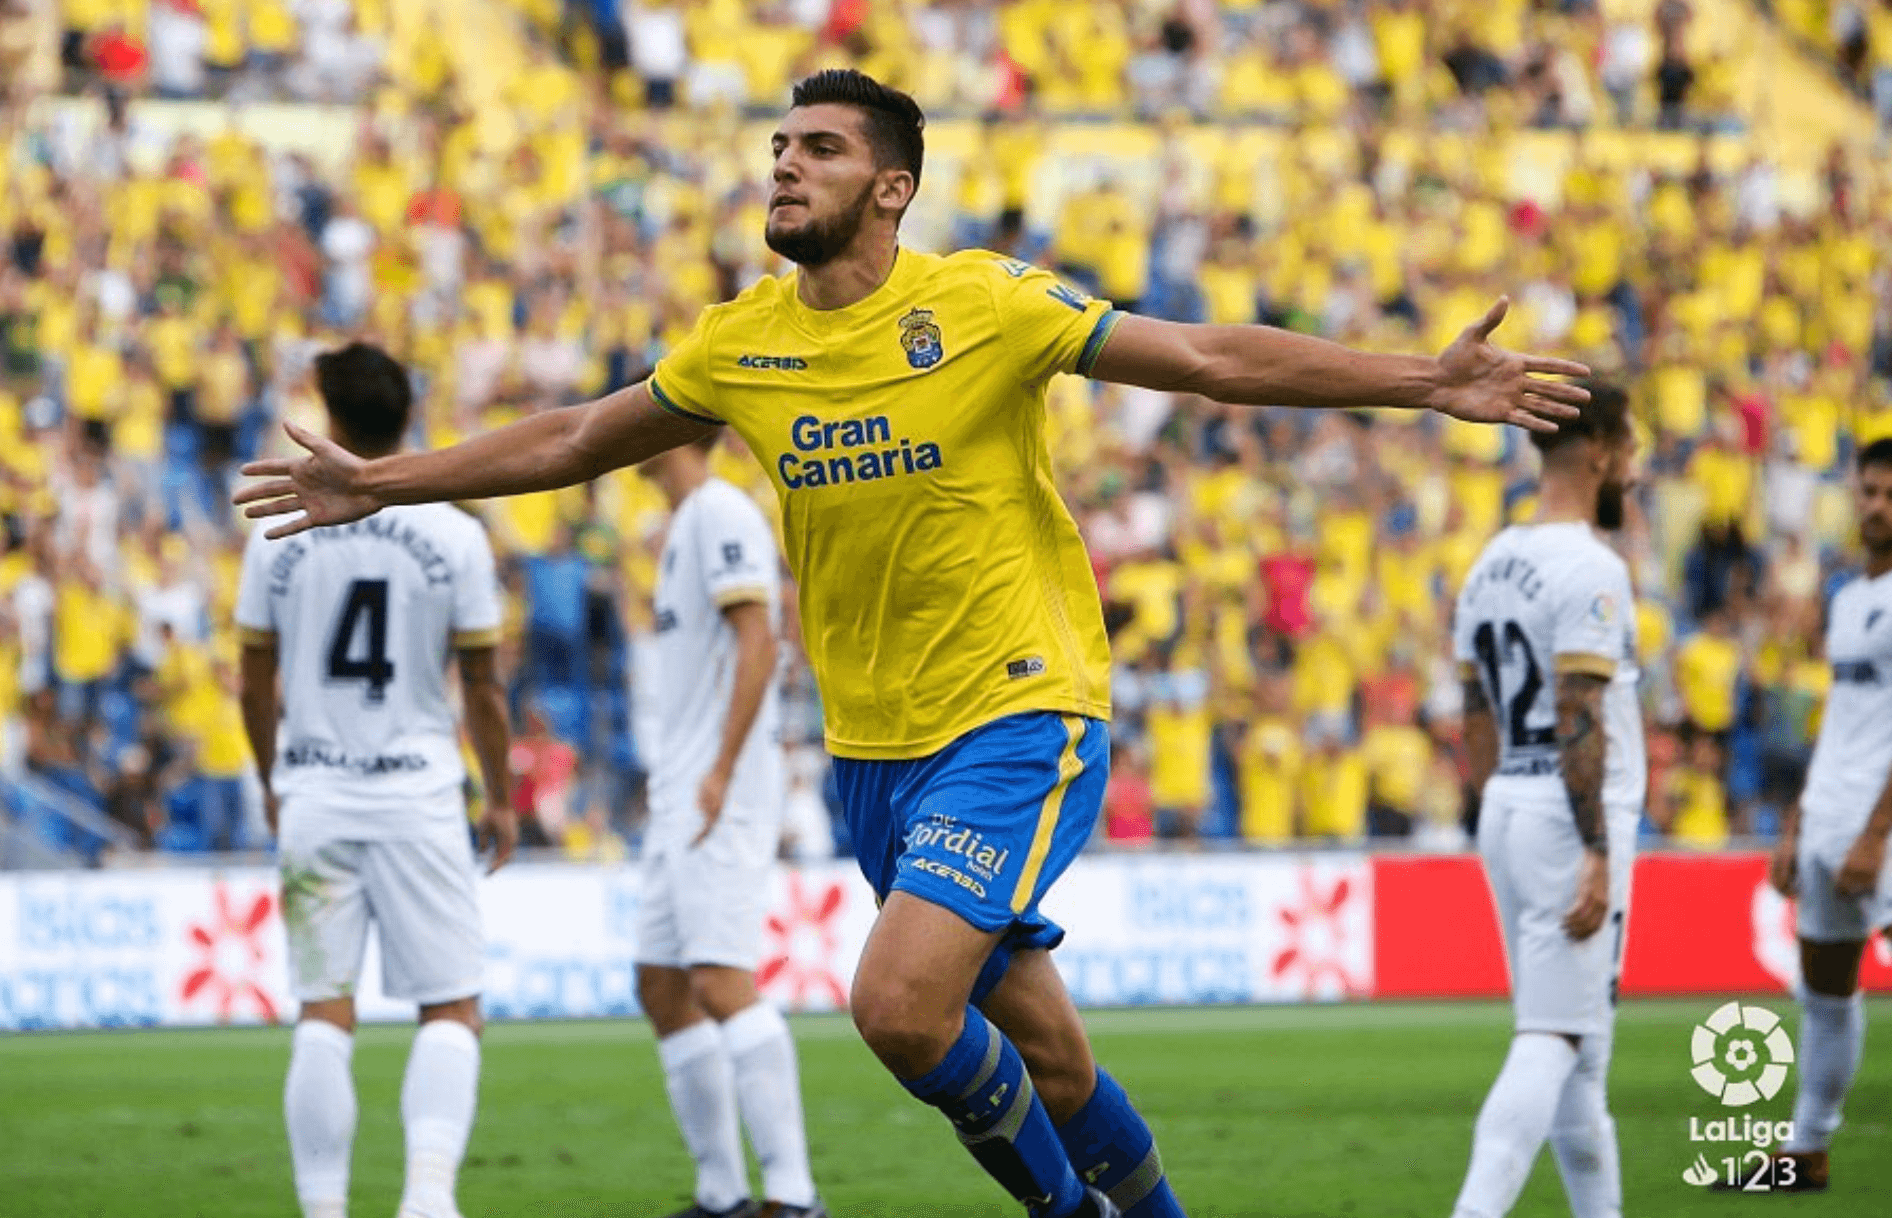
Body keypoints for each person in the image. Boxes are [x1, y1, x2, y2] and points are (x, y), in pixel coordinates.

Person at [236, 69, 1586, 1218]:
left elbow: (1209, 359)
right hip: (873, 752)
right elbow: (579, 439)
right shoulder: (739, 342)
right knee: (1048, 1058)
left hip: (1019, 713)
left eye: (818, 150)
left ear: (890, 187)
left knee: (895, 1004)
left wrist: (1422, 377)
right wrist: (383, 477)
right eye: (779, 148)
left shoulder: (989, 305)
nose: (784, 166)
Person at [235, 342, 516, 1218]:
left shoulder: (276, 530)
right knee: (451, 1007)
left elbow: (253, 676)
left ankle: (324, 1210)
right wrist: (502, 797)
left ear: (331, 418)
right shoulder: (455, 533)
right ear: (404, 418)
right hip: (419, 795)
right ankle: (427, 1200)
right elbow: (481, 685)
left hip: (316, 791)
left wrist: (273, 777)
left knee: (324, 1010)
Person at [1447, 381, 1643, 1218]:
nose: (1632, 468)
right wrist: (1594, 847)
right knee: (1553, 1037)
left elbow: (1476, 715)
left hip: (1510, 805)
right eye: (1628, 448)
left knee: (1581, 1056)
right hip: (1570, 817)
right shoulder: (1593, 566)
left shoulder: (1491, 560)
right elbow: (1577, 709)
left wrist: (1505, 811)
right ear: (1598, 448)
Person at [636, 434, 823, 1218]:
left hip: (719, 782)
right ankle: (723, 1195)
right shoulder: (685, 523)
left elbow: (762, 637)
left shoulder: (719, 510)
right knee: (662, 985)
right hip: (681, 783)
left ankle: (793, 1195)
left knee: (718, 979)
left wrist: (719, 767)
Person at [1765, 437, 1892, 1193]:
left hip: (1881, 827)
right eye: (1867, 492)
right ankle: (1806, 1150)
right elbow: (1843, 721)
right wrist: (1797, 823)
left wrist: (1878, 835)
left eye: (1888, 494)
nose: (1875, 506)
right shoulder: (1847, 600)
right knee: (1825, 991)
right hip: (1830, 818)